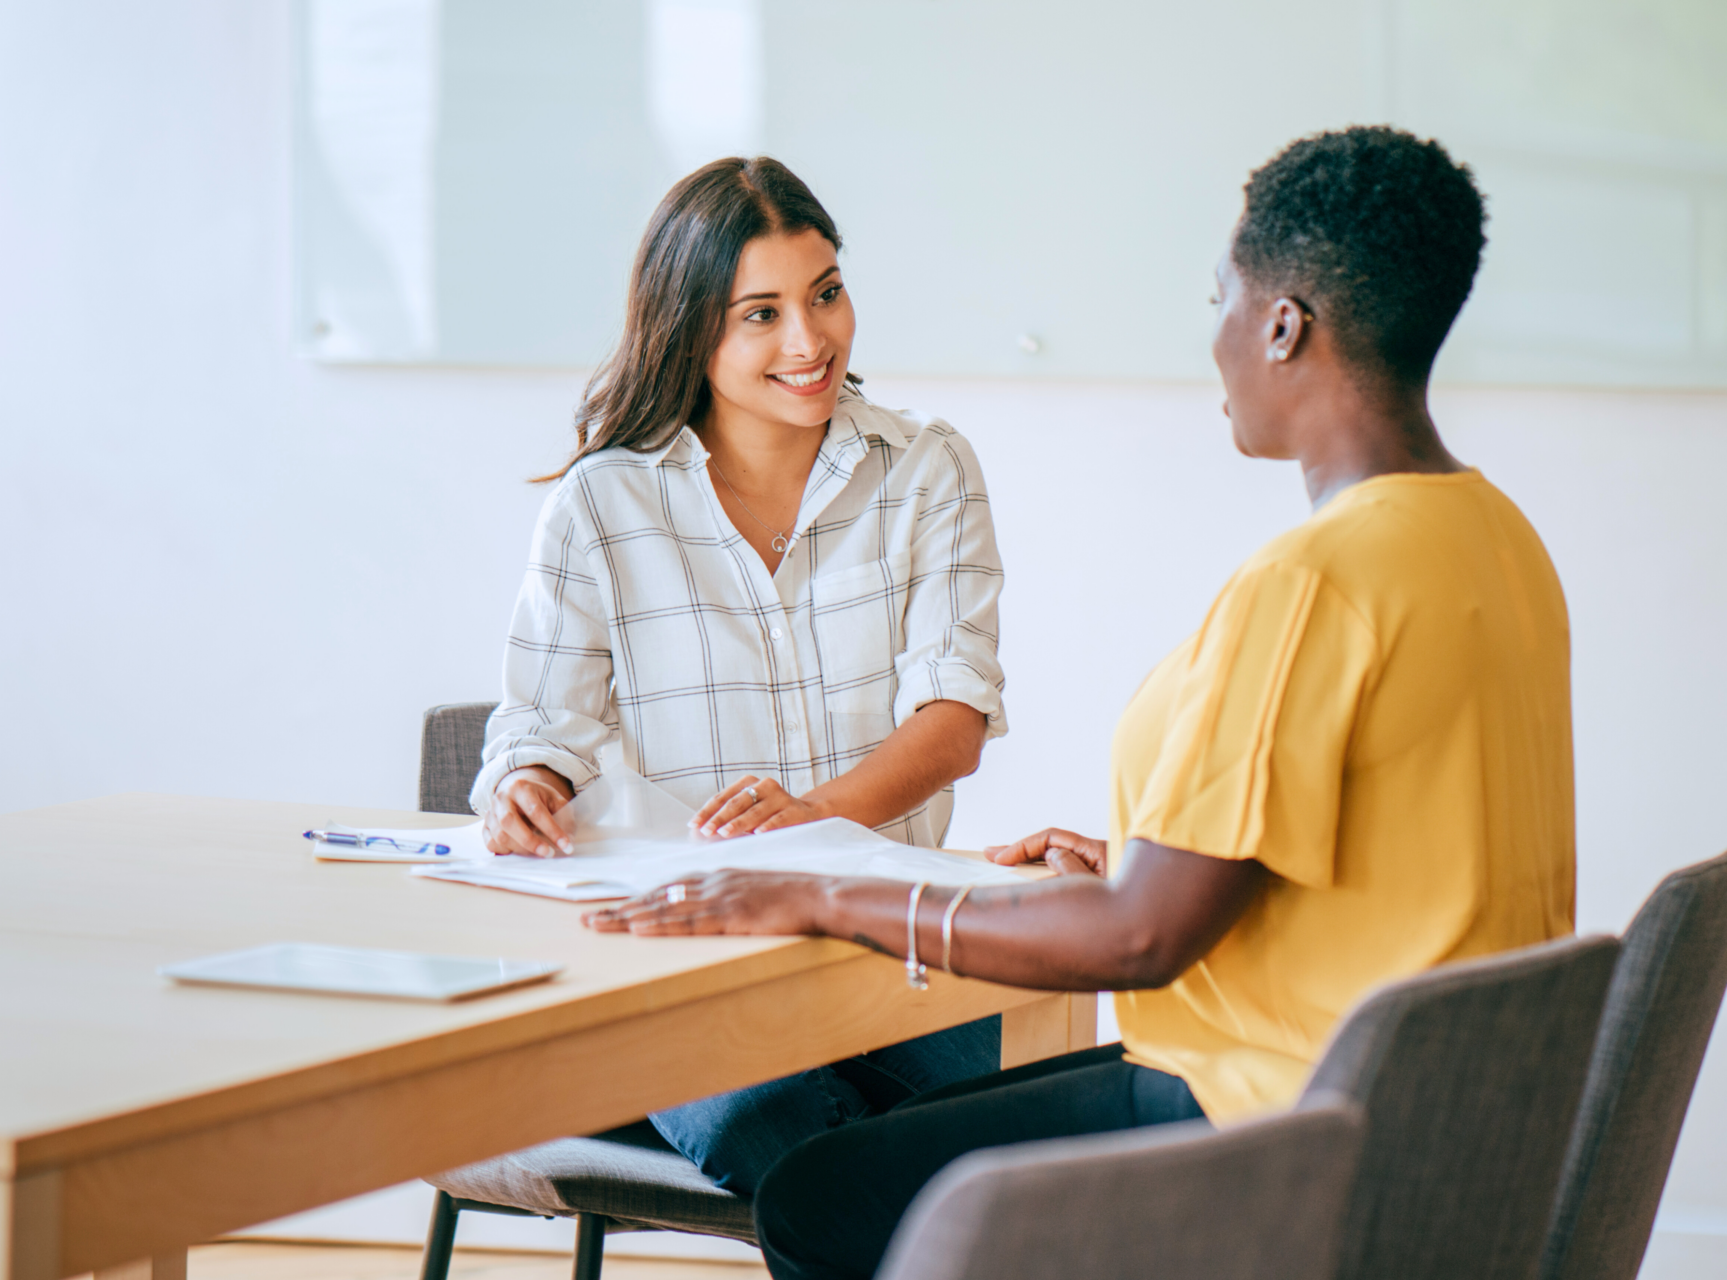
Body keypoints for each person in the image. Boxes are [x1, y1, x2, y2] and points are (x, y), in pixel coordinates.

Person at [584, 125, 1576, 1280]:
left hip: (1275, 1123)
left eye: (1222, 298)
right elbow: (1394, 861)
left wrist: (818, 887)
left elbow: (1143, 939)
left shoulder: (1311, 585)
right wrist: (1136, 863)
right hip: (1433, 1125)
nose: (1214, 337)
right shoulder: (1495, 539)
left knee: (820, 1193)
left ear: (1283, 325)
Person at [469, 157, 1010, 1193]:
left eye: (826, 293)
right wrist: (527, 786)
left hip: (893, 958)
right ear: (690, 329)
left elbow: (953, 720)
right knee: (791, 1132)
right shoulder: (602, 505)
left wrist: (805, 823)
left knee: (1027, 1115)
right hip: (687, 974)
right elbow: (538, 724)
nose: (810, 340)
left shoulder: (927, 468)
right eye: (760, 313)